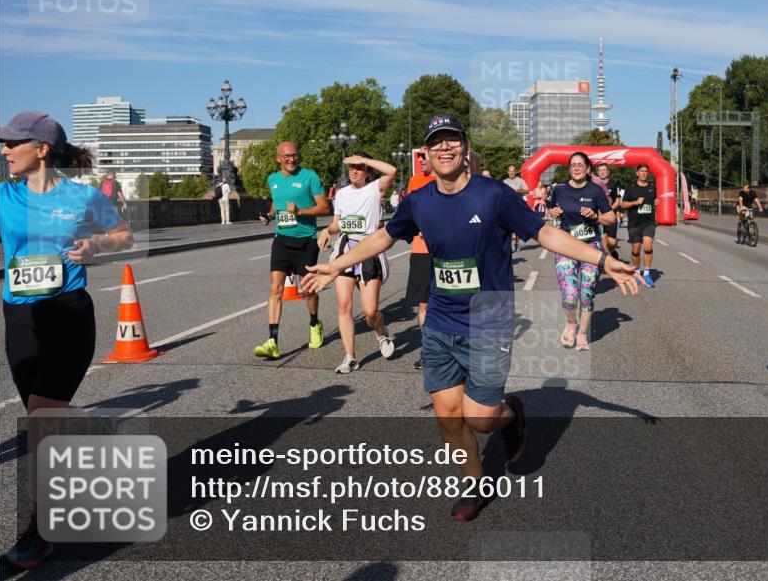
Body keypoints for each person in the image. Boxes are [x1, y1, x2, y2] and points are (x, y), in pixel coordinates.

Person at [301, 115, 643, 522]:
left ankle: (511, 414)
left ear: (464, 149)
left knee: (481, 419)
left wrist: (604, 260)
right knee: (448, 414)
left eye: (452, 140)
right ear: (425, 154)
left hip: (489, 316)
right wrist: (336, 265)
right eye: (436, 142)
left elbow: (545, 234)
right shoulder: (419, 200)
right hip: (442, 317)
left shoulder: (494, 195)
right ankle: (477, 482)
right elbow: (384, 236)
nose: (444, 148)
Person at [0, 112, 135, 570]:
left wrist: (98, 247)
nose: (3, 151)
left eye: (11, 143)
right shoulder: (2, 195)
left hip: (67, 313)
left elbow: (124, 235)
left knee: (42, 413)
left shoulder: (83, 196)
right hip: (19, 315)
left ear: (41, 150)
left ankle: (39, 531)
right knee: (43, 427)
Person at [317, 151, 396, 374]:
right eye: (351, 167)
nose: (354, 171)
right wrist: (326, 231)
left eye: (359, 167)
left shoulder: (375, 188)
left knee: (370, 312)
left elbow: (392, 171)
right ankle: (350, 356)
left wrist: (364, 160)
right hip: (345, 251)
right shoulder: (341, 194)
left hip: (370, 250)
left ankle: (381, 334)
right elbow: (337, 224)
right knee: (344, 305)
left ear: (368, 171)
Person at [254, 141, 330, 359]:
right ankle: (272, 341)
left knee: (309, 290)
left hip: (305, 241)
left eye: (295, 155)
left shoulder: (309, 177)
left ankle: (315, 323)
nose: (291, 159)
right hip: (281, 241)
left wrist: (300, 211)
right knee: (275, 289)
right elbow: (277, 204)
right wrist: (269, 215)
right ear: (278, 158)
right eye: (286, 156)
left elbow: (324, 207)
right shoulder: (273, 179)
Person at [547, 153, 616, 350]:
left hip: (590, 246)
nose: (577, 168)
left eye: (581, 165)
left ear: (587, 169)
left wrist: (596, 216)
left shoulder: (596, 190)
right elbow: (550, 208)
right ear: (569, 168)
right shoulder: (559, 189)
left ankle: (583, 333)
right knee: (569, 295)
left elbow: (611, 219)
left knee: (586, 292)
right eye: (573, 165)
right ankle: (571, 323)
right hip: (566, 245)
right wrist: (552, 212)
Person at [405, 147, 435, 370]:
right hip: (421, 250)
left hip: (449, 251)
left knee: (451, 302)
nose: (421, 160)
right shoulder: (414, 181)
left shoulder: (453, 180)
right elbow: (408, 212)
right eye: (419, 157)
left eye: (425, 156)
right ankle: (428, 352)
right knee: (423, 303)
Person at [620, 163, 657, 287]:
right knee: (636, 249)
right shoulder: (631, 187)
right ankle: (636, 272)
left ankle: (646, 273)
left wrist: (657, 202)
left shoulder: (653, 187)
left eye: (646, 171)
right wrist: (635, 202)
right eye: (641, 171)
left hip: (649, 222)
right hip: (634, 223)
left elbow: (657, 201)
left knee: (647, 246)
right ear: (637, 173)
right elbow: (623, 205)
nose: (643, 173)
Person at [595, 163, 622, 260]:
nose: (602, 172)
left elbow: (617, 201)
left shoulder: (614, 184)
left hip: (610, 216)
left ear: (608, 172)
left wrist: (608, 210)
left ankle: (612, 250)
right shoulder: (594, 184)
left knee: (612, 242)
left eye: (604, 170)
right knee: (603, 238)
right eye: (600, 170)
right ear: (598, 172)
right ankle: (605, 261)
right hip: (598, 217)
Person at [502, 164, 529, 251]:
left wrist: (521, 190)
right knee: (508, 227)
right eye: (510, 171)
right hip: (507, 206)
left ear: (515, 172)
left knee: (516, 226)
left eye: (513, 171)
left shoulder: (520, 181)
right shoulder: (504, 182)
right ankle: (508, 245)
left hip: (517, 206)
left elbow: (527, 190)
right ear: (508, 172)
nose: (512, 173)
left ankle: (517, 243)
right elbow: (501, 193)